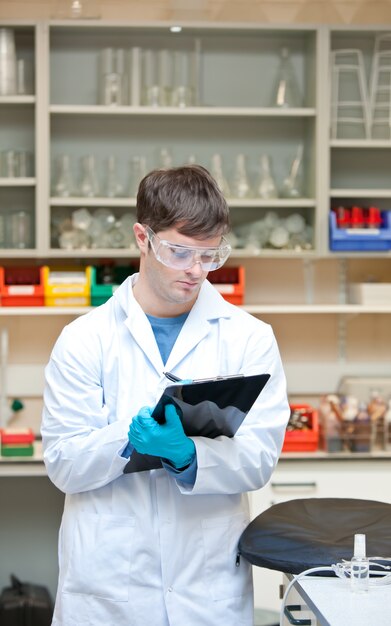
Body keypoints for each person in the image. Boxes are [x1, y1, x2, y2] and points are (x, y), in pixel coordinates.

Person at [41, 164, 290, 626]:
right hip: (109, 590)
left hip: (205, 587)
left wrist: (188, 457)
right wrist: (129, 438)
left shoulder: (249, 339)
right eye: (179, 252)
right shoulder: (84, 339)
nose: (196, 271)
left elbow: (259, 457)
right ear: (142, 237)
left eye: (210, 255)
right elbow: (63, 463)